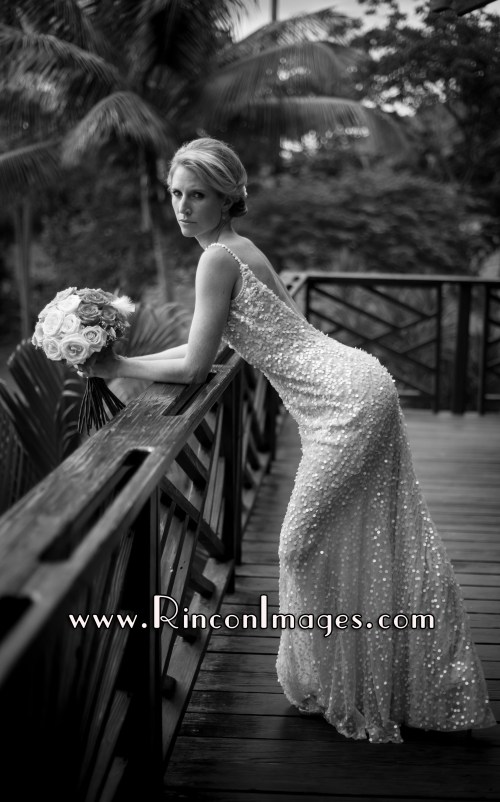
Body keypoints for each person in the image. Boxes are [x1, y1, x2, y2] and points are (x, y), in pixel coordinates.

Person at [86, 136, 496, 743]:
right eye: (175, 193)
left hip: (345, 405)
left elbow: (197, 366)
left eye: (197, 194)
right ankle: (390, 678)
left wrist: (113, 368)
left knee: (299, 547)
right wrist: (130, 358)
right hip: (357, 383)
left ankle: (353, 681)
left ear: (226, 198)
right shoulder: (236, 249)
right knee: (376, 532)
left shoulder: (216, 259)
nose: (182, 206)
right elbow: (215, 343)